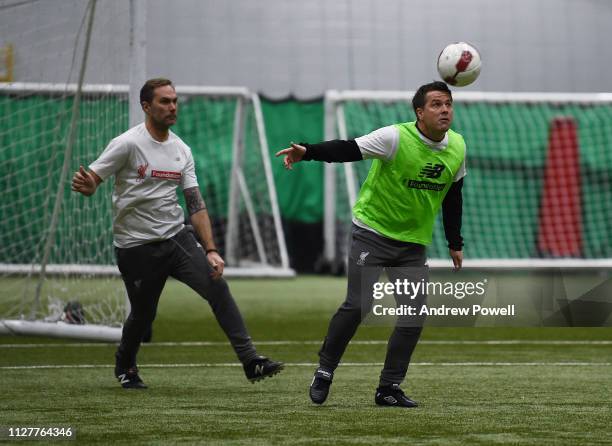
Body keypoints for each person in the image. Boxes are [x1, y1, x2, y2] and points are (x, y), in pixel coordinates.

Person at [72, 78, 283, 389]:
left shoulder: (181, 150)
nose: (172, 107)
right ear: (146, 106)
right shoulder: (127, 144)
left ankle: (250, 360)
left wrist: (210, 249)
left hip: (176, 239)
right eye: (164, 101)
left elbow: (195, 204)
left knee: (218, 289)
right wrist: (89, 186)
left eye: (174, 101)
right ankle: (125, 365)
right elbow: (93, 178)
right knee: (144, 317)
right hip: (137, 247)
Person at [275, 81, 466, 407]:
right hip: (372, 234)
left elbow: (453, 196)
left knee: (412, 316)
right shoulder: (394, 137)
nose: (444, 109)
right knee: (359, 305)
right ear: (419, 112)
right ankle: (325, 370)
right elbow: (348, 149)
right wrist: (308, 152)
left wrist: (454, 241)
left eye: (448, 103)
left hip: (412, 245)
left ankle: (388, 387)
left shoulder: (458, 146)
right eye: (436, 104)